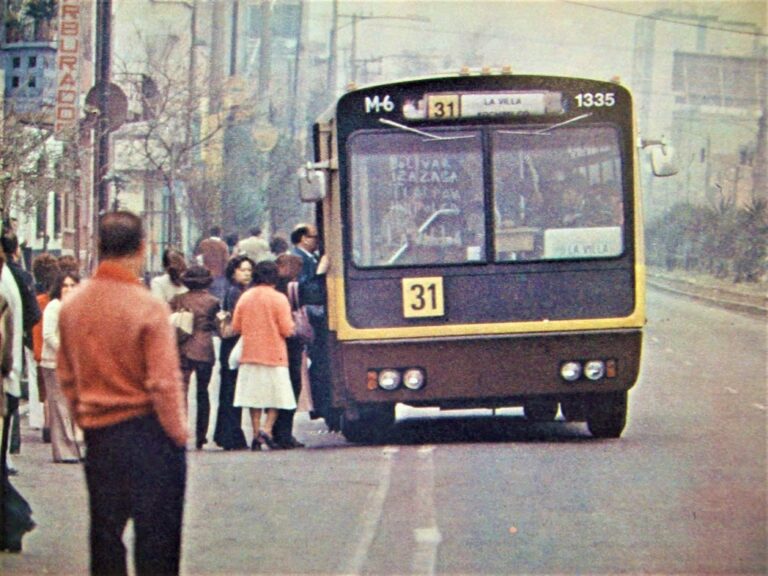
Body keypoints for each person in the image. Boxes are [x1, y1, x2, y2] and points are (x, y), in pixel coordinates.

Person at [57, 211, 187, 576]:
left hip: (101, 434)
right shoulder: (147, 306)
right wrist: (177, 434)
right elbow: (163, 382)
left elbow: (67, 375)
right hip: (150, 434)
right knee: (157, 539)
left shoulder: (73, 306)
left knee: (105, 534)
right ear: (142, 248)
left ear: (98, 247)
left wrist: (84, 417)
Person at [232, 260, 295, 450]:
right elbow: (287, 329)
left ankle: (255, 432)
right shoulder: (279, 298)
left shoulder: (245, 297)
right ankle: (267, 430)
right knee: (276, 396)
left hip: (250, 353)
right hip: (275, 354)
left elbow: (236, 326)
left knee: (254, 397)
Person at [290, 224, 338, 430]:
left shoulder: (308, 257)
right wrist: (319, 273)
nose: (317, 241)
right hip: (311, 318)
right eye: (314, 237)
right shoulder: (298, 259)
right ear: (302, 239)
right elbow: (307, 290)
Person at [170, 265, 220, 450]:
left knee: (181, 392)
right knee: (203, 392)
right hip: (205, 348)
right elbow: (217, 326)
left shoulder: (178, 299)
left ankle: (181, 433)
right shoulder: (213, 301)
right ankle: (201, 436)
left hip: (182, 347)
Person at [212, 255, 254, 451]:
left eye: (249, 270)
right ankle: (231, 434)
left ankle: (226, 434)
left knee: (230, 390)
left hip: (232, 344)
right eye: (242, 270)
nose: (246, 273)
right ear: (233, 272)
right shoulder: (235, 292)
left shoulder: (238, 291)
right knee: (231, 390)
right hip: (233, 344)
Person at [41, 271, 83, 463]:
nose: (68, 289)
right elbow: (48, 335)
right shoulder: (54, 307)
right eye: (65, 286)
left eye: (72, 285)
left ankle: (71, 448)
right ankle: (65, 451)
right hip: (54, 363)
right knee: (60, 407)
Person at [272, 253, 307, 449]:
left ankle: (274, 431)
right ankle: (285, 434)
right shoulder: (293, 288)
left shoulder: (272, 288)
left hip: (273, 345)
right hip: (291, 343)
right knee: (293, 387)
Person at [32, 253, 61, 443]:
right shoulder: (52, 302)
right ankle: (51, 426)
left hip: (37, 347)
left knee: (44, 391)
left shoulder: (37, 299)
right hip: (50, 350)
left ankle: (45, 424)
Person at [195, 226, 230, 301]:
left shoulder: (203, 243)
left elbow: (198, 257)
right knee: (218, 297)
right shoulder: (223, 245)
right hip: (218, 274)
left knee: (205, 296)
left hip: (205, 274)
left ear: (210, 233)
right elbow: (226, 260)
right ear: (220, 233)